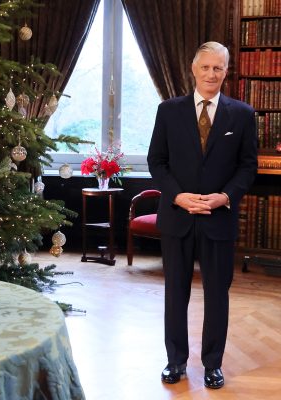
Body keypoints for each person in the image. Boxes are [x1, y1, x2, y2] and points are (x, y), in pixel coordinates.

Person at [147, 41, 257, 389]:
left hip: (219, 219)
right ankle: (175, 361)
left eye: (218, 68)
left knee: (217, 295)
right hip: (177, 217)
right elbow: (156, 162)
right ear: (194, 69)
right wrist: (178, 196)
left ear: (226, 72)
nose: (211, 74)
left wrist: (225, 197)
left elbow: (248, 167)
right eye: (205, 67)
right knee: (175, 293)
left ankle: (213, 365)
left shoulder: (243, 115)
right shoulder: (168, 111)